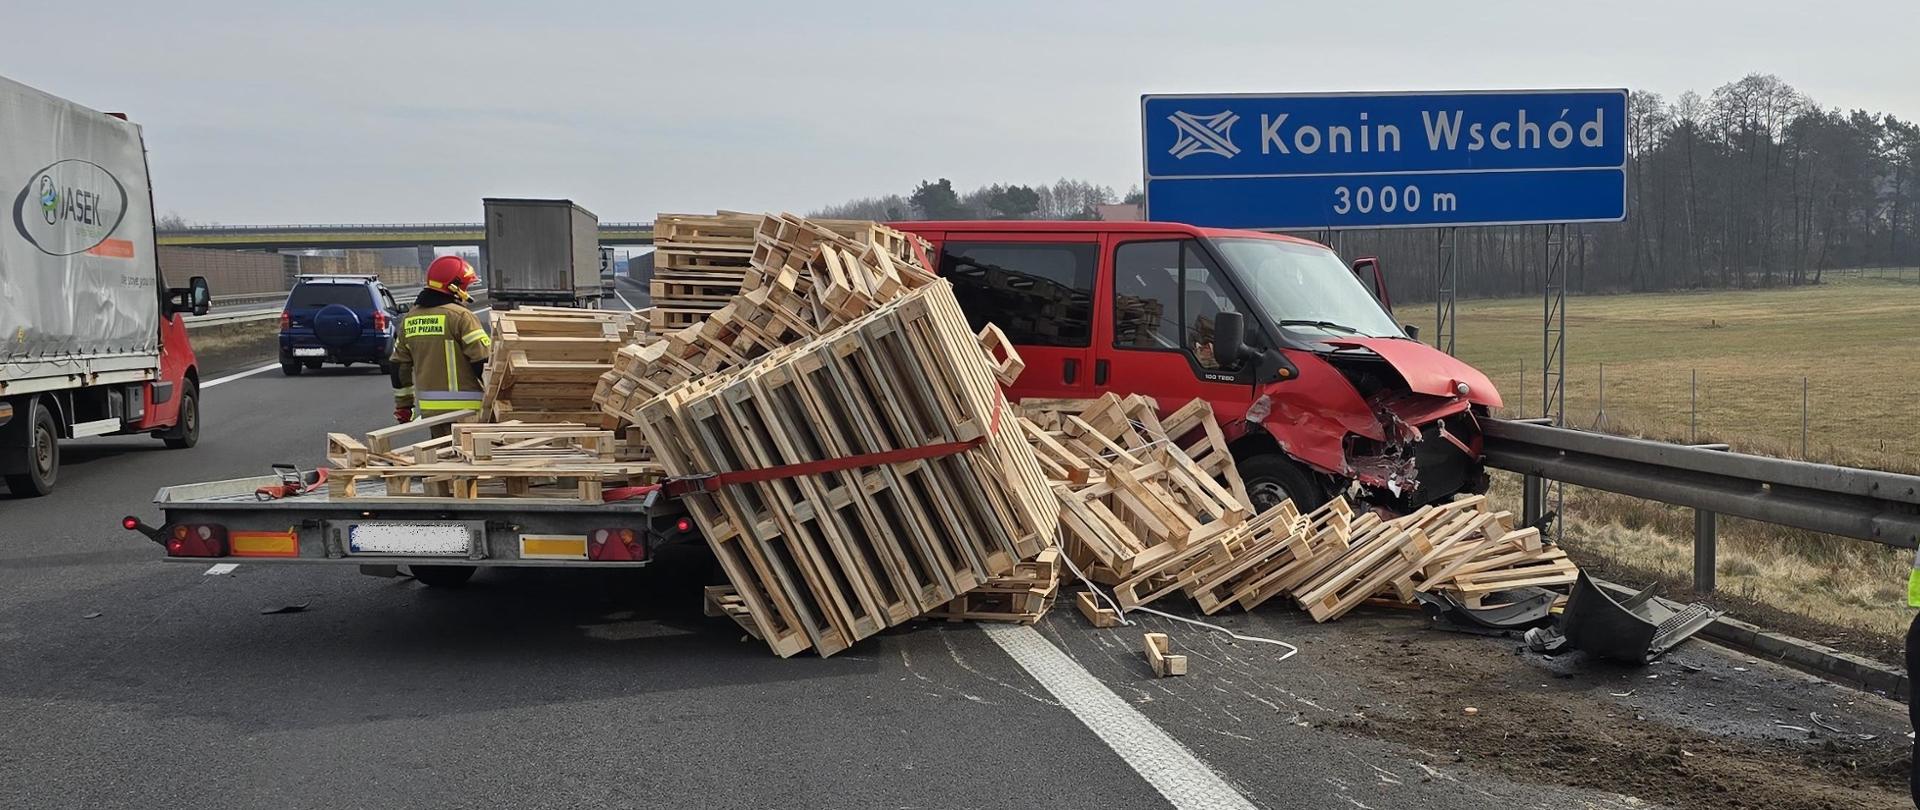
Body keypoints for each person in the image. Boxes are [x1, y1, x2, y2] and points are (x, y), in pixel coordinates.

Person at [390, 256, 490, 433]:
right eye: (466, 285)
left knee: (440, 457)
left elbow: (398, 367)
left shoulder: (409, 320)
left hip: (433, 413)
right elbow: (484, 361)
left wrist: (404, 407)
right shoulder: (461, 317)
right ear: (455, 286)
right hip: (469, 413)